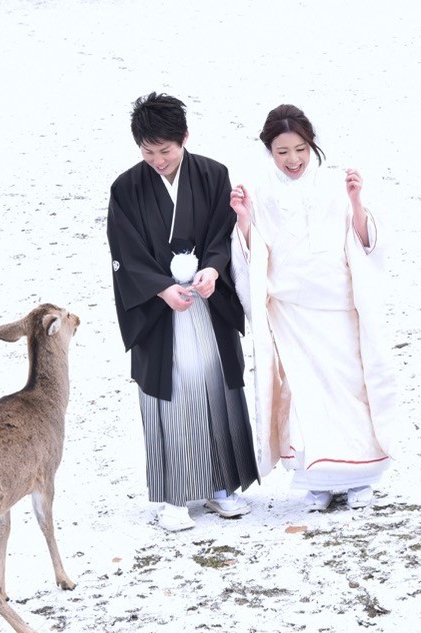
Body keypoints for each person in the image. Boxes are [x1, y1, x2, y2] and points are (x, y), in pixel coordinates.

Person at [229, 104, 399, 510]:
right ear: (269, 150)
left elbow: (365, 242)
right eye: (283, 151)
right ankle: (316, 477)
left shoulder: (335, 186)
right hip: (291, 311)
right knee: (305, 394)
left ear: (312, 146)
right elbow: (256, 253)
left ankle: (360, 477)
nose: (293, 160)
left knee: (350, 388)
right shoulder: (261, 191)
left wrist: (356, 202)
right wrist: (244, 221)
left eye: (301, 149)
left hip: (337, 305)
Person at [107, 92, 258, 532]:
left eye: (166, 150)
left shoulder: (212, 175)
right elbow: (125, 252)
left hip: (207, 304)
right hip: (161, 312)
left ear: (184, 139)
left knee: (214, 383)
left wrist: (212, 269)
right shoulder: (126, 188)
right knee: (171, 391)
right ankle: (175, 497)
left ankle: (220, 487)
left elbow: (222, 232)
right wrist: (160, 290)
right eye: (148, 151)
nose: (157, 160)